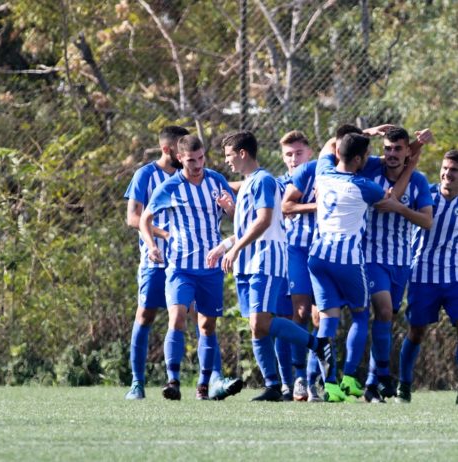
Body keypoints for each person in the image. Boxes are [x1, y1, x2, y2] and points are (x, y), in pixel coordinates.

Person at [207, 131, 334, 402]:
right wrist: (225, 246)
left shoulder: (263, 180)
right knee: (257, 327)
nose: (226, 160)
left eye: (229, 155)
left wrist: (236, 249)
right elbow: (245, 227)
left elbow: (264, 221)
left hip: (265, 260)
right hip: (246, 263)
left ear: (242, 153)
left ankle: (317, 344)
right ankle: (274, 386)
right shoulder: (248, 184)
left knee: (260, 321)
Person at [139, 134, 243, 400]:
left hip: (210, 268)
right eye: (191, 160)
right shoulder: (171, 186)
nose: (197, 165)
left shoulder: (216, 181)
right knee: (177, 317)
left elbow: (238, 220)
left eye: (201, 158)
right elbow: (144, 219)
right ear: (179, 158)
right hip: (180, 267)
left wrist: (230, 209)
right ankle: (173, 381)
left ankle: (203, 385)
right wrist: (151, 245)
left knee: (207, 326)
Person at [309, 132, 386, 402]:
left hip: (317, 256)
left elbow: (326, 146)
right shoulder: (365, 186)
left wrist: (363, 134)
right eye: (366, 155)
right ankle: (350, 378)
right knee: (361, 315)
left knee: (327, 321)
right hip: (348, 260)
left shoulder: (323, 172)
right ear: (358, 159)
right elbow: (389, 198)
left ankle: (329, 385)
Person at [360, 127, 434, 403]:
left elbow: (427, 221)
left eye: (398, 149)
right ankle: (383, 374)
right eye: (387, 148)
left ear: (407, 151)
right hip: (371, 256)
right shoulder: (371, 170)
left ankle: (372, 383)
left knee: (386, 318)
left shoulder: (419, 181)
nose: (391, 154)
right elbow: (343, 147)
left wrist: (401, 208)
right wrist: (367, 132)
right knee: (383, 310)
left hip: (401, 260)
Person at [123, 125, 190, 400]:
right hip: (155, 259)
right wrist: (163, 234)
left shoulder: (190, 175)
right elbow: (133, 218)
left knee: (199, 317)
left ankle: (208, 381)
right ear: (167, 149)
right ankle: (137, 383)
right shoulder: (145, 175)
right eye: (179, 149)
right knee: (145, 315)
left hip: (187, 260)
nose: (184, 154)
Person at [396, 149, 458, 404]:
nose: (447, 174)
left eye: (454, 170)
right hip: (422, 275)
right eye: (445, 168)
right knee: (417, 331)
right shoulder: (426, 194)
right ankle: (404, 385)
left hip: (454, 276)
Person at [279, 130, 320, 401]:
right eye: (289, 155)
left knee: (322, 317)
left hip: (326, 252)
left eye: (298, 153)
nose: (294, 159)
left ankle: (318, 378)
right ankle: (299, 378)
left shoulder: (324, 174)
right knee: (300, 312)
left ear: (310, 153)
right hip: (296, 252)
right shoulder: (281, 183)